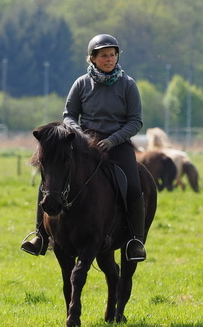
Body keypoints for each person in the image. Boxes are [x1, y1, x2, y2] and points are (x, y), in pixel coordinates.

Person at [21, 33, 147, 261]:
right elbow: (69, 115)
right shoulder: (81, 84)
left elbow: (135, 121)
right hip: (84, 146)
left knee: (133, 185)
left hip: (117, 146)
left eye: (113, 55)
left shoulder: (128, 85)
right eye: (104, 56)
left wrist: (112, 140)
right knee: (49, 183)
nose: (110, 59)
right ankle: (40, 236)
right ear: (92, 58)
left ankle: (135, 241)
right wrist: (79, 135)